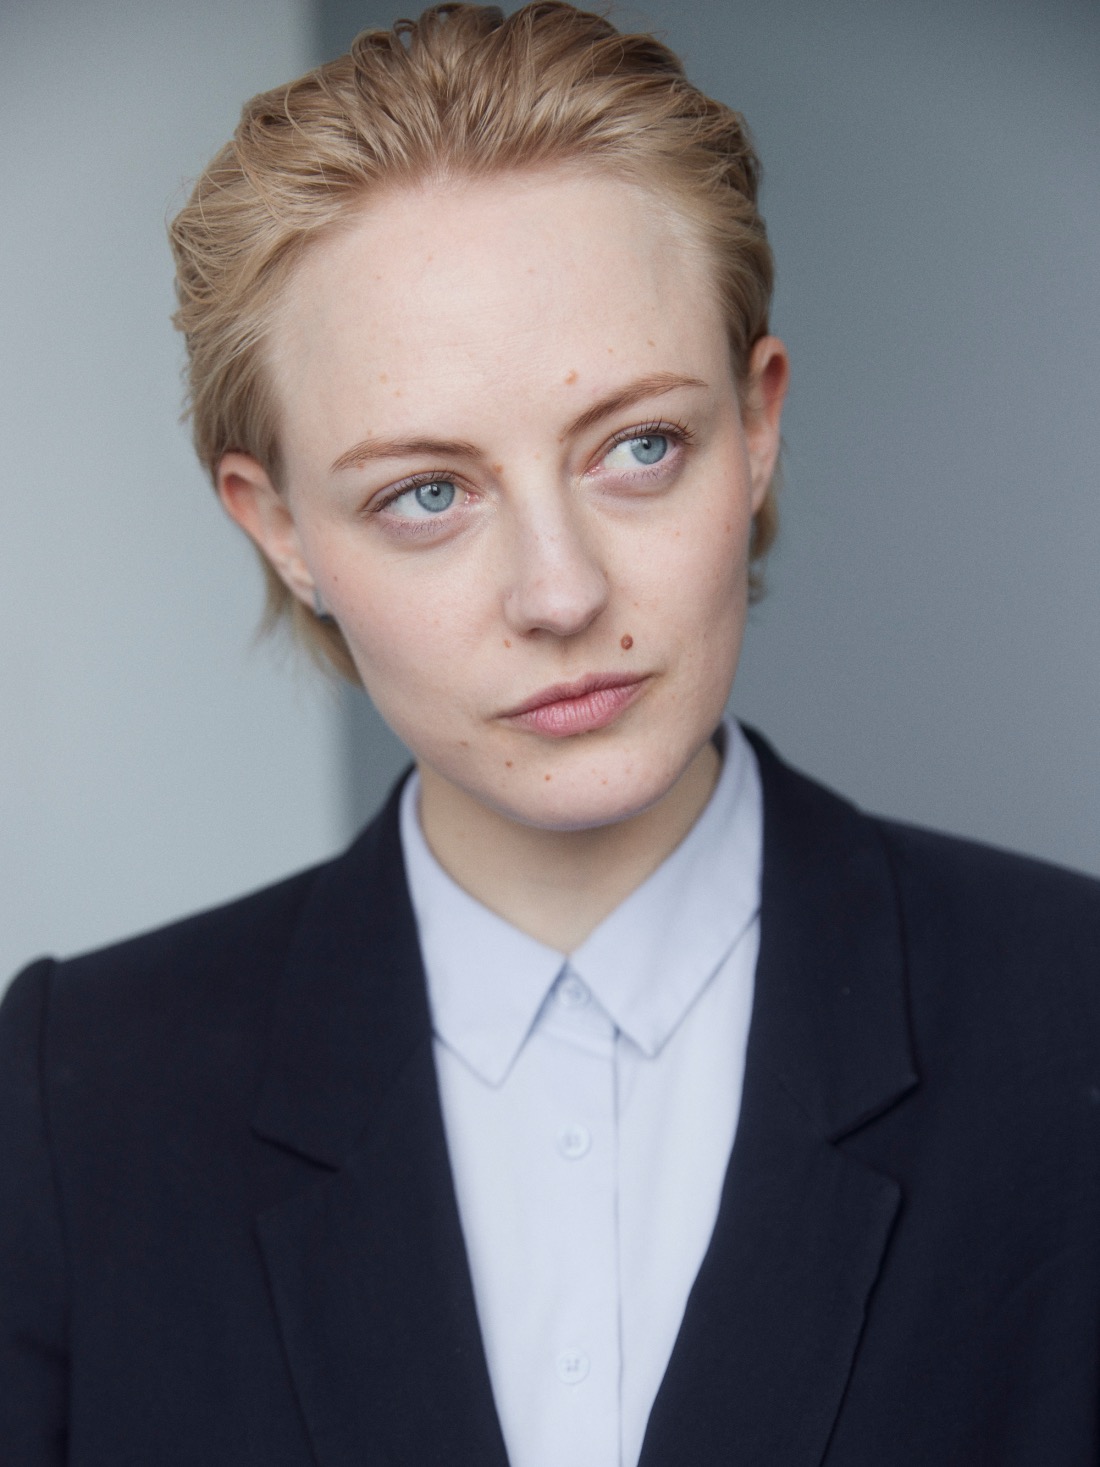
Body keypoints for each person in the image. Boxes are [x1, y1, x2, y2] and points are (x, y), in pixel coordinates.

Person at [2, 4, 1098, 1464]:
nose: (561, 593)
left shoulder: (1073, 1018)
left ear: (757, 423)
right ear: (281, 530)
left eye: (640, 446)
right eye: (426, 493)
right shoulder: (79, 1096)